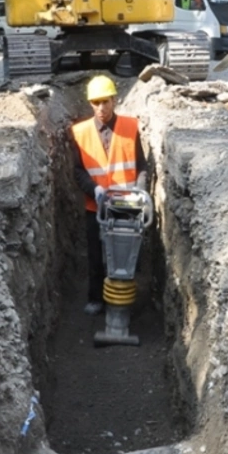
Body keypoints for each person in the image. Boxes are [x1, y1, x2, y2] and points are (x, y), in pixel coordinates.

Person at [71, 75, 148, 316]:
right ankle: (96, 298)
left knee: (125, 255)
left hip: (127, 204)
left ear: (114, 100)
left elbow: (141, 166)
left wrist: (141, 192)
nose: (101, 108)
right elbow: (77, 170)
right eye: (96, 103)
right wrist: (94, 189)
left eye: (105, 102)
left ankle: (125, 302)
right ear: (90, 104)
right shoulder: (80, 132)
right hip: (96, 205)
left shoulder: (129, 127)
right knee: (96, 254)